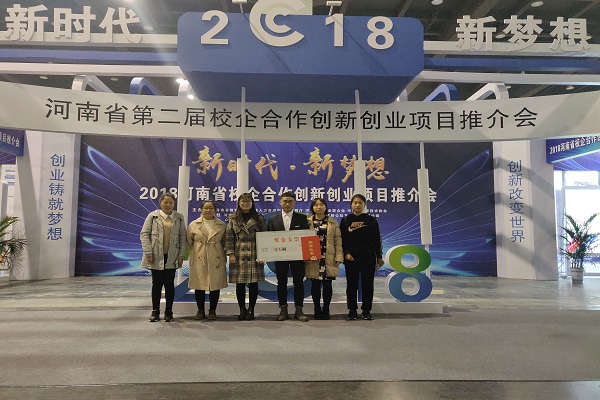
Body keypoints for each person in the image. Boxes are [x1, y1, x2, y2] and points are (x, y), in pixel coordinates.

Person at [140, 193, 187, 323]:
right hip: (156, 256)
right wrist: (148, 253)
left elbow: (182, 238)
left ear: (174, 204)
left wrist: (181, 255)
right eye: (165, 202)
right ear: (160, 203)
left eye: (171, 202)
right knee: (156, 284)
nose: (168, 205)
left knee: (169, 284)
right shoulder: (153, 216)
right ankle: (155, 311)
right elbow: (144, 234)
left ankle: (169, 312)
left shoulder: (179, 218)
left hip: (172, 256)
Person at [340, 194, 384, 321]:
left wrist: (379, 256)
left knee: (368, 284)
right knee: (351, 284)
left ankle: (366, 310)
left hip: (368, 256)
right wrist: (346, 253)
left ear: (364, 205)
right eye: (355, 203)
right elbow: (342, 239)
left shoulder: (371, 220)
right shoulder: (346, 220)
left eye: (360, 203)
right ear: (351, 205)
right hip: (351, 257)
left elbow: (377, 239)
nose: (357, 205)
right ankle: (352, 310)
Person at [267, 191, 310, 322]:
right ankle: (283, 310)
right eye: (285, 201)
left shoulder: (302, 218)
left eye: (290, 201)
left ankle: (299, 310)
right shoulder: (273, 220)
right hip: (280, 256)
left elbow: (307, 237)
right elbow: (268, 239)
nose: (287, 204)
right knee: (281, 283)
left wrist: (308, 254)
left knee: (299, 283)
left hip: (298, 256)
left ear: (294, 203)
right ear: (280, 202)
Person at [225, 193, 266, 321]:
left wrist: (263, 254)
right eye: (243, 202)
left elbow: (264, 237)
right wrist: (231, 254)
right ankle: (242, 309)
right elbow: (229, 238)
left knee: (254, 284)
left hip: (254, 255)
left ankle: (251, 309)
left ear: (252, 203)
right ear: (239, 203)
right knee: (240, 284)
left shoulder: (259, 218)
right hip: (239, 255)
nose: (245, 204)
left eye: (248, 202)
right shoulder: (233, 218)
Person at [187, 199, 228, 321]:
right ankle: (200, 310)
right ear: (201, 209)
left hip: (216, 257)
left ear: (215, 210)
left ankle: (212, 310)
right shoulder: (193, 224)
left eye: (211, 208)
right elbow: (189, 241)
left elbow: (225, 242)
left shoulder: (222, 225)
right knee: (199, 285)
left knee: (215, 285)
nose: (208, 210)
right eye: (206, 208)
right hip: (199, 257)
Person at [305, 198, 343, 320]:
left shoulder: (332, 222)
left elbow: (338, 240)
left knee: (327, 285)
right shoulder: (307, 222)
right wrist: (305, 255)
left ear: (325, 207)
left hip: (328, 257)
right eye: (316, 205)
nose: (319, 207)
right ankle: (317, 309)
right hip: (313, 258)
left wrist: (339, 256)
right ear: (312, 208)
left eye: (321, 205)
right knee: (315, 285)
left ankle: (326, 309)